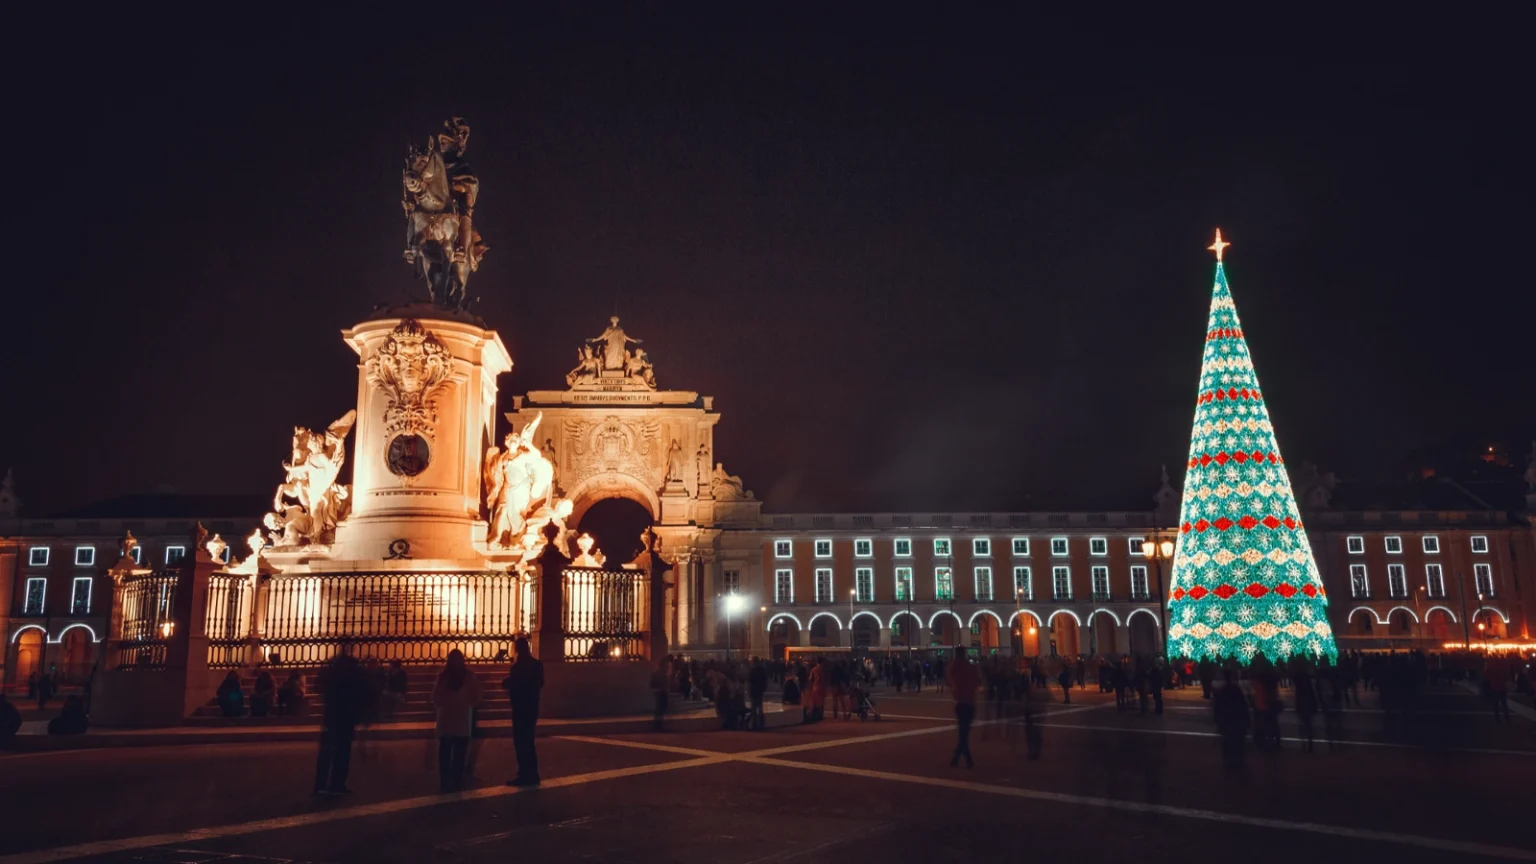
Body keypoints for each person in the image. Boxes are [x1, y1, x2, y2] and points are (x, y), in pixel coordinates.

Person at [314, 650, 369, 795]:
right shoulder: (353, 671)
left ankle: (321, 784)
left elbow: (318, 686)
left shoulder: (331, 670)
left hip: (332, 715)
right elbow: (362, 692)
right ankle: (336, 783)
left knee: (328, 751)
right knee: (342, 751)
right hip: (346, 715)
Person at [432, 649, 482, 791]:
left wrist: (445, 704)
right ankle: (457, 781)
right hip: (462, 720)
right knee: (460, 755)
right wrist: (466, 704)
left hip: (446, 721)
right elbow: (477, 696)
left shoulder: (443, 677)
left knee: (445, 755)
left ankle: (444, 782)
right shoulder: (469, 677)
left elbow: (436, 698)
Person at [503, 636, 544, 786]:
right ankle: (533, 773)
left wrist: (507, 683)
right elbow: (540, 683)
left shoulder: (517, 667)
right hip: (532, 707)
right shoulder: (537, 664)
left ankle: (524, 774)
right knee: (529, 741)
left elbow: (515, 684)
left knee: (521, 742)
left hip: (520, 708)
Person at [948, 648, 981, 768]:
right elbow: (977, 681)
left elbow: (950, 680)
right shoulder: (970, 666)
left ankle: (961, 758)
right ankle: (962, 758)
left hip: (959, 702)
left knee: (963, 732)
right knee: (965, 733)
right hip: (969, 701)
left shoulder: (953, 667)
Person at [1213, 669, 1249, 774]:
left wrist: (1218, 721)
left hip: (1227, 721)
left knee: (1227, 744)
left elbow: (1217, 708)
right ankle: (1238, 765)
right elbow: (1243, 706)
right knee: (1238, 744)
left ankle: (1230, 766)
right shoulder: (1236, 690)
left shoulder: (1221, 692)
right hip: (1236, 721)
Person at [650, 657, 670, 731]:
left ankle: (659, 725)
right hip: (660, 692)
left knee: (662, 709)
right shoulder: (658, 673)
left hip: (663, 692)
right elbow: (652, 684)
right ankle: (658, 726)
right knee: (660, 709)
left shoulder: (664, 673)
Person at [749, 658, 769, 731]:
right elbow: (765, 681)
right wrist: (762, 689)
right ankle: (761, 725)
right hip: (759, 691)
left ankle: (754, 725)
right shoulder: (762, 670)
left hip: (754, 691)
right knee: (760, 709)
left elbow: (749, 680)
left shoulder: (752, 670)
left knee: (754, 709)